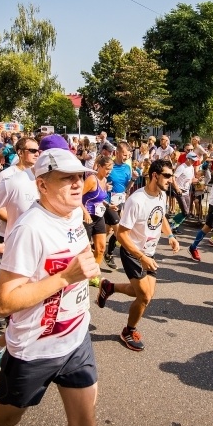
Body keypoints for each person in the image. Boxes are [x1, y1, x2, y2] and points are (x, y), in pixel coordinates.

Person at [0, 148, 100, 426]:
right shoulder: (29, 229)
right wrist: (65, 278)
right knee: (9, 416)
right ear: (42, 185)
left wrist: (89, 269)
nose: (78, 183)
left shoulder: (73, 213)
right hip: (34, 349)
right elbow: (4, 303)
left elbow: (80, 253)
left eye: (80, 176)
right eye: (66, 178)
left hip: (76, 339)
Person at [95, 159, 179, 351]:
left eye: (171, 176)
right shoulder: (136, 200)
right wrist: (141, 257)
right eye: (167, 175)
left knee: (140, 292)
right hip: (133, 253)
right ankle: (128, 331)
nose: (170, 180)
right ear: (155, 175)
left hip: (149, 253)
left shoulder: (161, 195)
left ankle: (109, 287)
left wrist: (171, 236)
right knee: (145, 297)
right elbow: (121, 235)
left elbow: (161, 217)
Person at [82, 155, 113, 283]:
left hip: (99, 217)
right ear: (99, 167)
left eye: (111, 169)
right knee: (84, 250)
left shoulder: (104, 180)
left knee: (101, 248)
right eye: (107, 169)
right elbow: (77, 197)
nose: (109, 172)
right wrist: (85, 213)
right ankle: (79, 277)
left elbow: (99, 199)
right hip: (87, 218)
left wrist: (108, 205)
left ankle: (93, 276)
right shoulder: (92, 179)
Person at [104, 142, 135, 269]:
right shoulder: (109, 165)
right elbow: (98, 179)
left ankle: (95, 245)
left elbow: (127, 187)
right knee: (119, 231)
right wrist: (104, 187)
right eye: (124, 155)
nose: (126, 158)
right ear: (117, 153)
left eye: (128, 155)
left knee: (106, 231)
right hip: (108, 203)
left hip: (120, 202)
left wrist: (133, 179)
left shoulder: (127, 168)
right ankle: (109, 254)